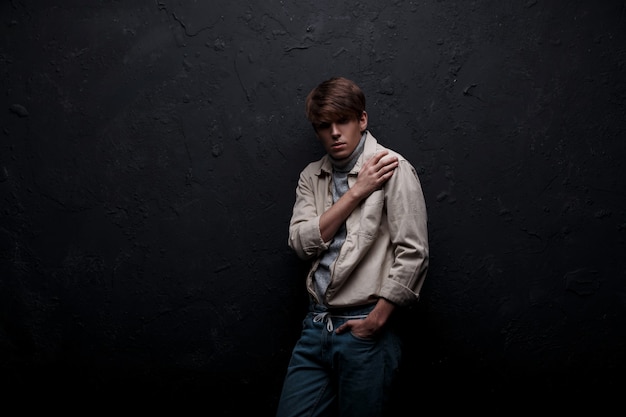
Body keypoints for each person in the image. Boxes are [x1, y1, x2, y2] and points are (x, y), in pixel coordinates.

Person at [275, 76, 429, 417]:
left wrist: (375, 322)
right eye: (323, 126)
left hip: (365, 329)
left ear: (362, 119)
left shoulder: (394, 168)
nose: (334, 133)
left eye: (342, 121)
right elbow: (300, 243)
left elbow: (414, 253)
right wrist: (356, 192)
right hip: (315, 326)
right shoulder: (311, 176)